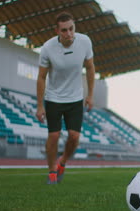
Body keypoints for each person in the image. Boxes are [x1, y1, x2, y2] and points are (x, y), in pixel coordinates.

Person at [36, 11, 95, 184]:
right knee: (53, 136)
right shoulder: (47, 48)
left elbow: (90, 67)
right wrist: (40, 106)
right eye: (64, 30)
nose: (69, 34)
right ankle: (52, 172)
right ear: (57, 31)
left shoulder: (85, 42)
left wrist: (90, 95)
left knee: (74, 136)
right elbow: (41, 77)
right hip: (54, 98)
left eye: (71, 29)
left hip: (75, 98)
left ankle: (62, 162)